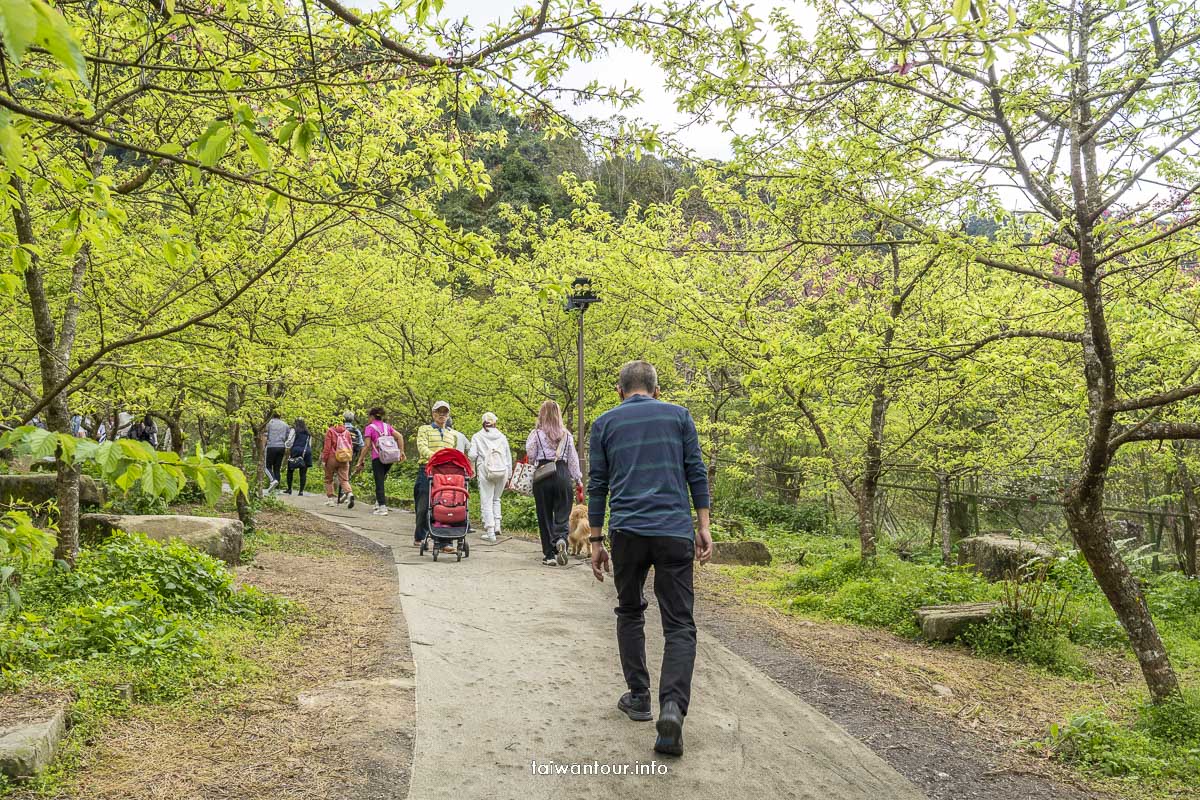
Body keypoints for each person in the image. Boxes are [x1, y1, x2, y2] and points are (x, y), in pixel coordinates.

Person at [587, 360, 712, 758]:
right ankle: (672, 708)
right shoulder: (679, 416)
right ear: (656, 390)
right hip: (674, 530)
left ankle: (639, 698)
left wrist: (595, 539)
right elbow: (696, 471)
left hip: (627, 532)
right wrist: (703, 526)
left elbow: (597, 484)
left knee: (629, 611)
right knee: (679, 625)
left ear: (620, 391)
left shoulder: (604, 423)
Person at [525, 400, 582, 566]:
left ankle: (549, 555)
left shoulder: (536, 434)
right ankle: (561, 538)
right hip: (562, 474)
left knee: (544, 515)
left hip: (543, 474)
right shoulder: (567, 435)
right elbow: (573, 460)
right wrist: (578, 479)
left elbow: (532, 454)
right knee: (563, 511)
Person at [414, 400, 463, 551]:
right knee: (423, 504)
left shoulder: (451, 435)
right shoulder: (425, 429)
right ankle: (420, 536)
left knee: (443, 504)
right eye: (439, 412)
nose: (442, 415)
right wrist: (436, 457)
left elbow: (453, 453)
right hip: (427, 469)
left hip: (444, 473)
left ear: (448, 415)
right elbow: (422, 446)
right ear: (433, 413)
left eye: (445, 412)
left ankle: (443, 541)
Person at [468, 412, 512, 542]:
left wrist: (473, 465)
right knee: (496, 498)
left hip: (485, 470)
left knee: (486, 500)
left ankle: (490, 531)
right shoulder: (502, 437)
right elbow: (508, 456)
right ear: (495, 423)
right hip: (502, 470)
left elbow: (472, 455)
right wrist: (509, 475)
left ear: (483, 423)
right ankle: (497, 525)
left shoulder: (477, 436)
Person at [354, 407, 405, 516]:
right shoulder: (387, 426)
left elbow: (367, 446)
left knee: (379, 482)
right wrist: (401, 452)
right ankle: (378, 503)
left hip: (378, 457)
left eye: (368, 417)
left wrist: (360, 460)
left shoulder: (370, 428)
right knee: (381, 480)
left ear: (372, 417)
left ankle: (382, 507)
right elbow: (399, 436)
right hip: (390, 457)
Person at [321, 417, 356, 509]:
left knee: (328, 478)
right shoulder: (347, 432)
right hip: (344, 457)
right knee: (344, 479)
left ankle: (330, 500)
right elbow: (350, 446)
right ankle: (349, 494)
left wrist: (324, 460)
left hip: (332, 457)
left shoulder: (330, 431)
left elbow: (327, 447)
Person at [284, 418, 312, 495]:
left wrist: (286, 445)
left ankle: (289, 489)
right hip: (306, 452)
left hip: (296, 450)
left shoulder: (294, 430)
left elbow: (290, 441)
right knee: (303, 472)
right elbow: (309, 444)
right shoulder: (308, 433)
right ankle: (301, 491)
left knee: (290, 469)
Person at [264, 411, 288, 491]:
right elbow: (287, 436)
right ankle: (277, 488)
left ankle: (273, 480)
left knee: (267, 467)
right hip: (281, 447)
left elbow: (265, 435)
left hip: (271, 446)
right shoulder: (285, 424)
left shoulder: (269, 423)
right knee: (277, 468)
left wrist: (263, 446)